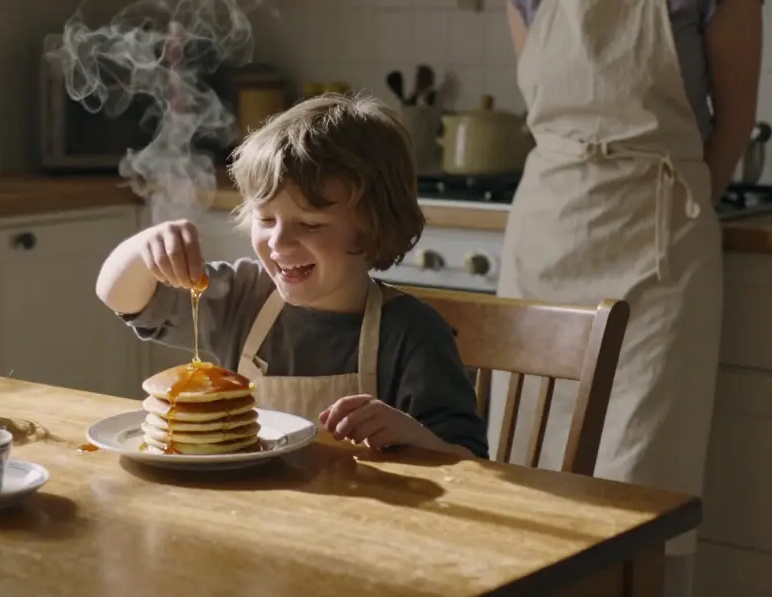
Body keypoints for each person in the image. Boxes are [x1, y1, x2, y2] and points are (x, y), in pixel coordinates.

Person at [493, 0, 763, 597]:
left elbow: (732, 121)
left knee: (642, 476)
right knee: (532, 470)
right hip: (545, 242)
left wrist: (673, 199)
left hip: (658, 251)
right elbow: (546, 114)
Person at [95, 93, 488, 458]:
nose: (280, 242)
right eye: (265, 219)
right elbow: (121, 297)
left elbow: (470, 463)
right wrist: (143, 249)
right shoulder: (243, 297)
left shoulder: (414, 335)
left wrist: (411, 434)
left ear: (374, 229)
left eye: (310, 224)